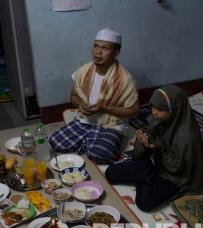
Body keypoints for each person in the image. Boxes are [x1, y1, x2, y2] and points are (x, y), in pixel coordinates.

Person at [105, 85, 203, 211]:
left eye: (160, 109)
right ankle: (146, 177)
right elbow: (140, 154)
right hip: (154, 162)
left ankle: (146, 179)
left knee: (145, 202)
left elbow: (177, 167)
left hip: (174, 176)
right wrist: (144, 143)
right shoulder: (157, 119)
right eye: (152, 106)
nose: (154, 112)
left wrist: (156, 148)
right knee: (111, 173)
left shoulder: (187, 136)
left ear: (175, 108)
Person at [49, 27, 139, 164]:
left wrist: (105, 108)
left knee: (99, 155)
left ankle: (91, 142)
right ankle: (91, 140)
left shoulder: (125, 79)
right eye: (96, 46)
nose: (98, 52)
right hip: (87, 119)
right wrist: (81, 105)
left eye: (105, 48)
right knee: (55, 142)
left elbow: (133, 110)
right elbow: (72, 96)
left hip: (112, 125)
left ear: (116, 52)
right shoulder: (84, 71)